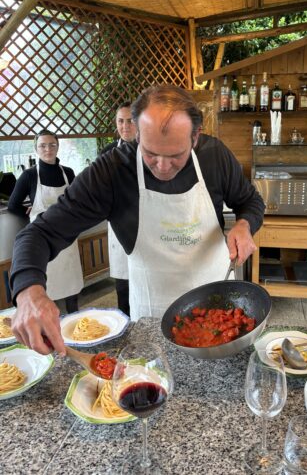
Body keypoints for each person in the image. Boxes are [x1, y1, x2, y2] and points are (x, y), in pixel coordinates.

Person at [10, 85, 265, 355]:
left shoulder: (215, 156)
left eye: (176, 155)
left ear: (195, 136)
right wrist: (28, 291)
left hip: (220, 313)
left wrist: (244, 224)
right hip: (151, 318)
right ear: (137, 133)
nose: (163, 167)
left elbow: (250, 201)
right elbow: (38, 233)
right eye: (151, 153)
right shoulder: (112, 171)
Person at [8, 129, 84, 314]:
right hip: (42, 240)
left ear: (57, 147)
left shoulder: (68, 172)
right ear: (36, 148)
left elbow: (77, 201)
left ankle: (74, 321)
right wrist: (30, 214)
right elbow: (13, 205)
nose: (48, 149)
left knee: (71, 285)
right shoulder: (29, 176)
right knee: (47, 288)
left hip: (67, 239)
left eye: (52, 144)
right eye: (42, 145)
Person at [100, 102, 136, 317]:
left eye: (130, 120)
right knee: (123, 284)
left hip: (147, 223)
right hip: (118, 221)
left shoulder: (151, 150)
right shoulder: (107, 153)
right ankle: (125, 326)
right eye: (121, 121)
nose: (125, 126)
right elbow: (99, 188)